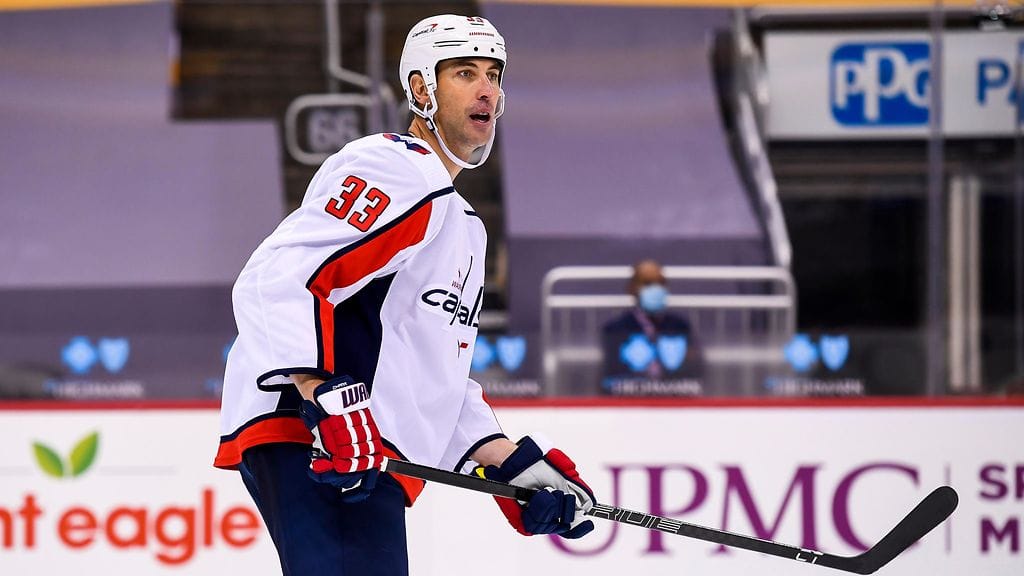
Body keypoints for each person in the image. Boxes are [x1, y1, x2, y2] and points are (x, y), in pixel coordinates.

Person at [214, 14, 595, 576]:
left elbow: (426, 370)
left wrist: (508, 462)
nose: (487, 90)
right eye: (465, 73)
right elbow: (277, 277)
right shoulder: (395, 168)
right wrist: (324, 398)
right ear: (421, 88)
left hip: (363, 452)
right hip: (319, 440)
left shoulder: (464, 224)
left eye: (494, 75)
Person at [601, 259, 703, 393]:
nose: (656, 289)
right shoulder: (615, 329)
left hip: (674, 399)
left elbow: (694, 372)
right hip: (629, 400)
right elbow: (611, 376)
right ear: (631, 288)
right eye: (647, 283)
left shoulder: (680, 326)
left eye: (660, 283)